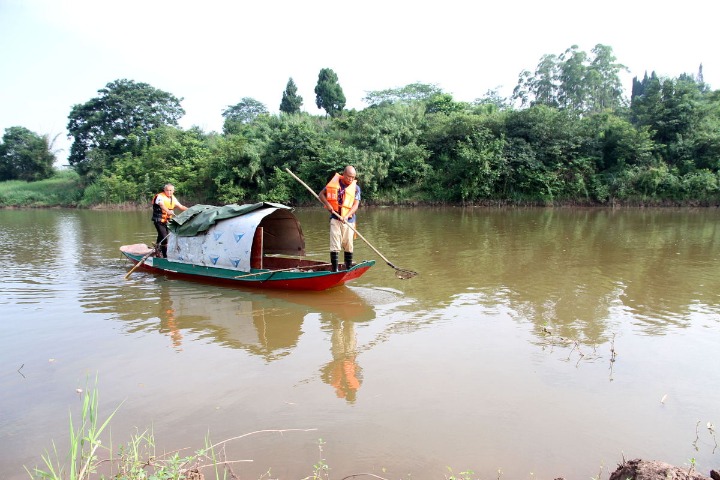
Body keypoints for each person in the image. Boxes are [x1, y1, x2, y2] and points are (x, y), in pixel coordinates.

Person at [318, 165, 360, 272]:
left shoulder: (356, 188)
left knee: (348, 244)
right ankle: (335, 270)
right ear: (344, 174)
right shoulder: (334, 183)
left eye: (353, 177)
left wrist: (346, 216)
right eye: (349, 176)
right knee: (335, 244)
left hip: (349, 220)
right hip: (335, 218)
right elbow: (321, 195)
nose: (350, 179)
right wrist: (327, 204)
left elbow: (355, 205)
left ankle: (348, 268)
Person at [151, 183, 187, 258]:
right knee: (164, 236)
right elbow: (161, 205)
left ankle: (157, 248)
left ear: (173, 191)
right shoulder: (160, 196)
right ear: (164, 190)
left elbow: (181, 206)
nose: (169, 192)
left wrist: (191, 210)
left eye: (171, 190)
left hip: (166, 221)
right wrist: (168, 211)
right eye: (167, 190)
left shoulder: (173, 198)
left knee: (161, 236)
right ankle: (165, 256)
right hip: (159, 220)